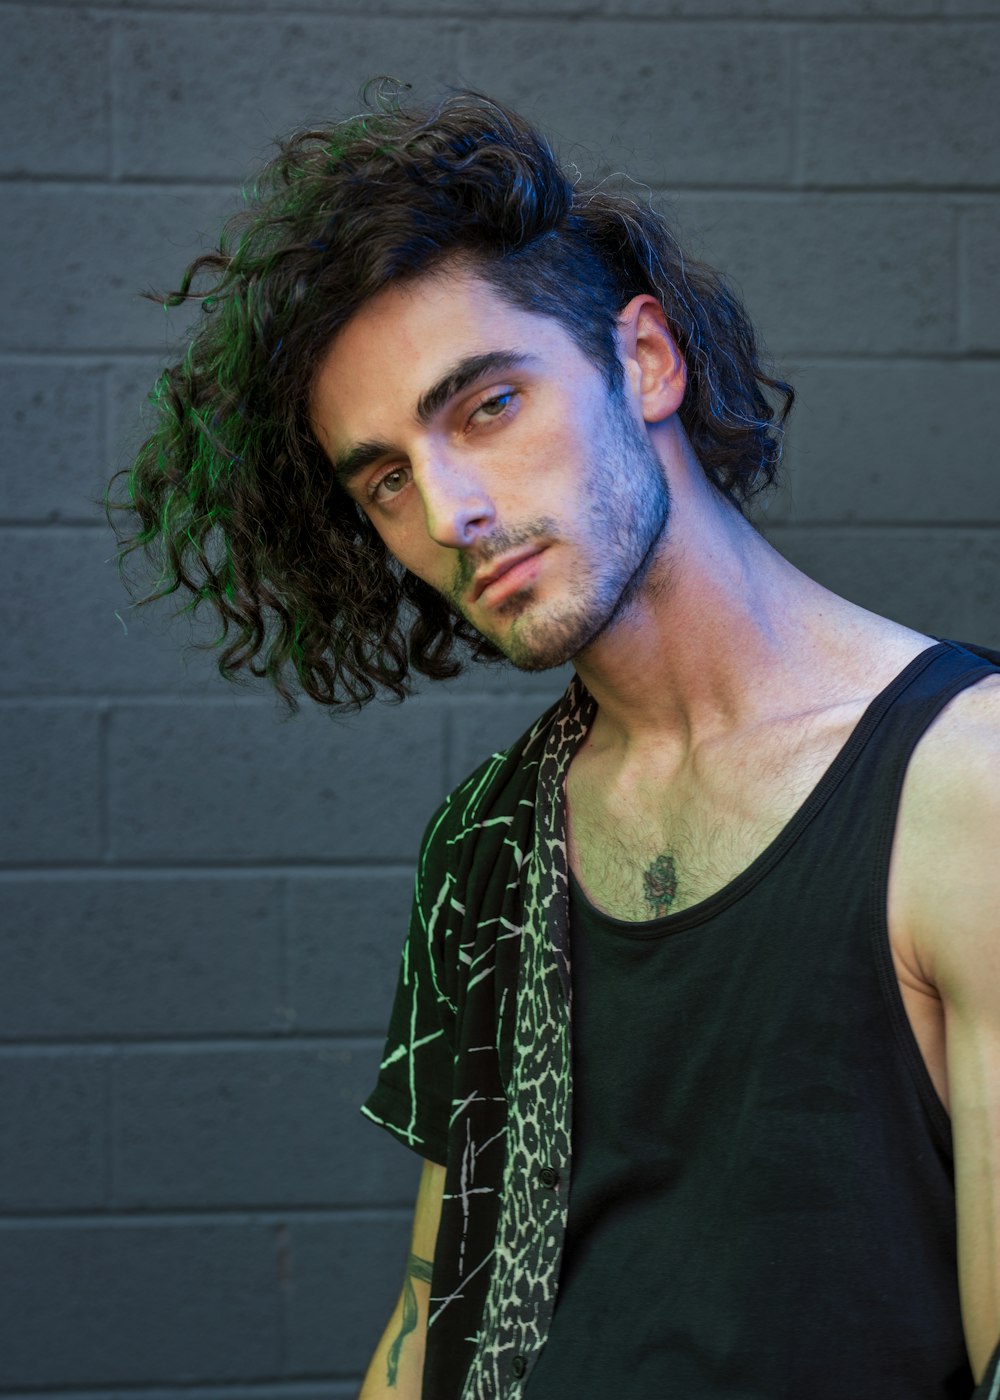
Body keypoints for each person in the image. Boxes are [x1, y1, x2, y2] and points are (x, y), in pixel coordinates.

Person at [104, 82, 1000, 1400]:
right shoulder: (487, 842)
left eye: (485, 405)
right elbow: (426, 1330)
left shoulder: (963, 786)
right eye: (387, 480)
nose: (451, 511)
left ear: (644, 360)